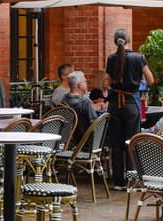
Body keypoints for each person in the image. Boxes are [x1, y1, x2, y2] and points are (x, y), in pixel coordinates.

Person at [105, 28, 155, 191]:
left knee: (117, 143)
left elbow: (109, 81)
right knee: (131, 142)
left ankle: (118, 181)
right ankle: (132, 180)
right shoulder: (138, 58)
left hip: (114, 103)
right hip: (131, 103)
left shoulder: (111, 58)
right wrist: (138, 83)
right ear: (129, 40)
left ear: (115, 41)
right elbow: (151, 80)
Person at [61, 71, 98, 146]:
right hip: (85, 142)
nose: (86, 84)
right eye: (85, 81)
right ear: (80, 85)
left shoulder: (63, 100)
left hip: (68, 142)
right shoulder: (84, 103)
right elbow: (95, 124)